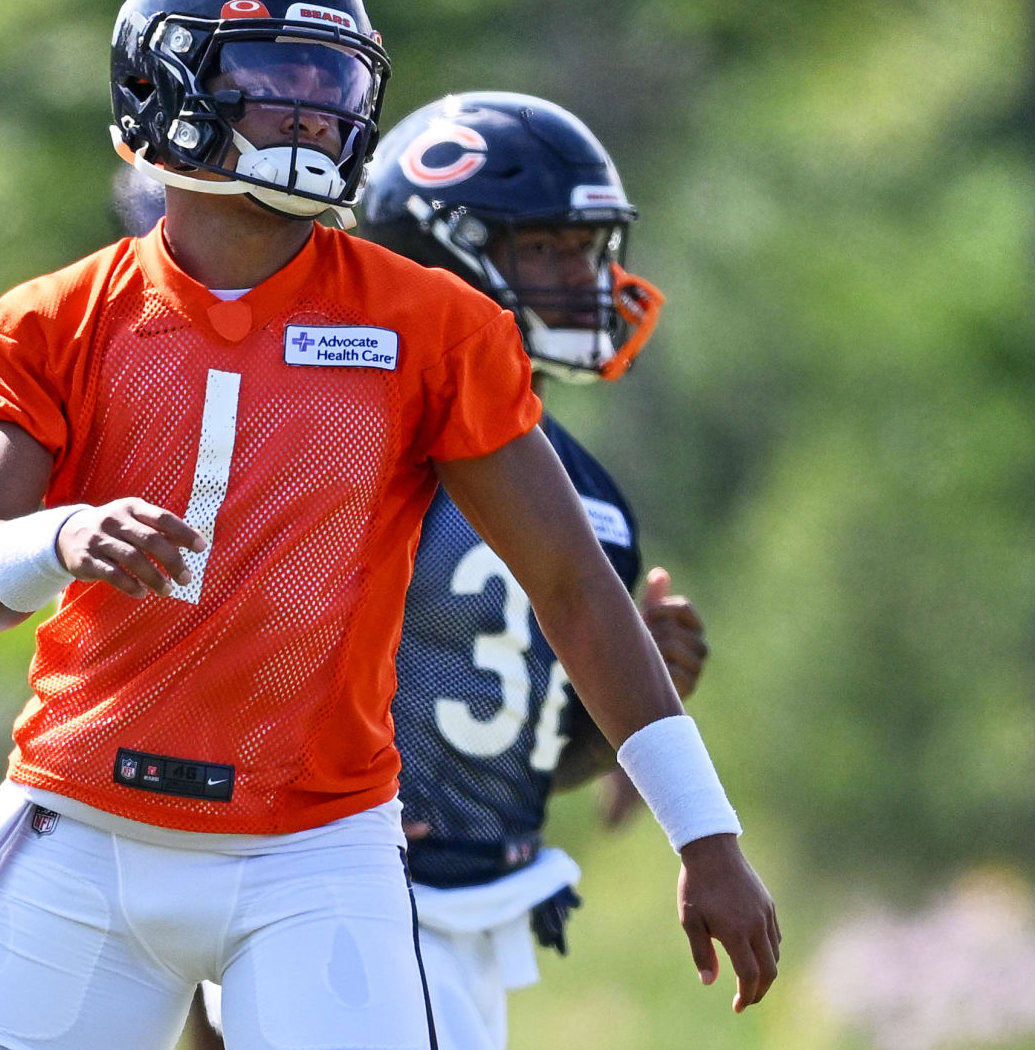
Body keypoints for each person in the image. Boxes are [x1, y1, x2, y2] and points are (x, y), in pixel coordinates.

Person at [0, 0, 778, 1050]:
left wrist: (707, 836)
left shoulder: (430, 325)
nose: (311, 112)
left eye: (328, 82)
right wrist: (62, 535)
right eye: (273, 79)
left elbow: (573, 586)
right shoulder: (51, 321)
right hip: (86, 828)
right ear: (164, 82)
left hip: (312, 852)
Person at [185, 94, 709, 1050]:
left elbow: (498, 756)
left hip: (473, 903)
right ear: (446, 253)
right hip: (327, 886)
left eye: (584, 249)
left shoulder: (588, 500)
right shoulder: (350, 450)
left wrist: (628, 714)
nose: (580, 279)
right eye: (544, 251)